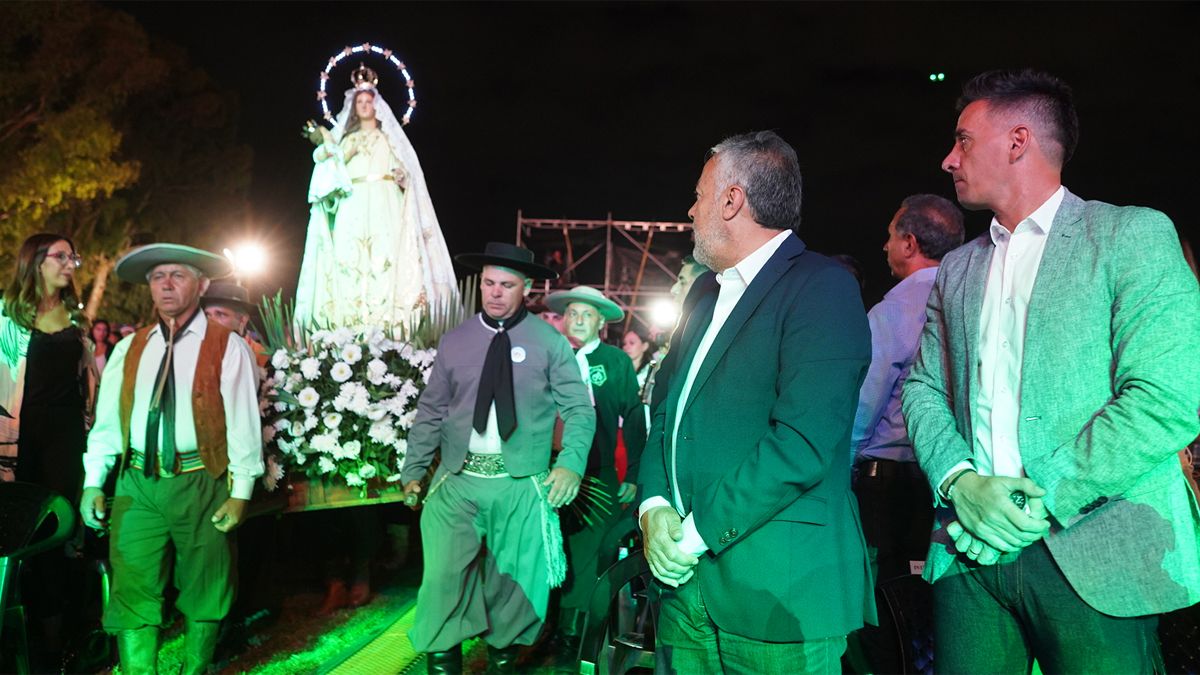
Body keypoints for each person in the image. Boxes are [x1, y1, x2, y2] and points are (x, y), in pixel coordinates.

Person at [902, 68, 1200, 673]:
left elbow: (1166, 399)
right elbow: (923, 388)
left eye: (962, 140)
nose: (947, 158)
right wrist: (960, 482)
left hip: (1094, 547)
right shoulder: (957, 269)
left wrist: (1029, 500)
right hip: (967, 555)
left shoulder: (1131, 236)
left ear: (1018, 141)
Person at [638, 131, 874, 673]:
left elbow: (802, 443)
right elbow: (667, 412)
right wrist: (653, 511)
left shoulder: (822, 286)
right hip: (682, 590)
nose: (690, 209)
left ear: (731, 201)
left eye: (699, 195)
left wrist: (689, 536)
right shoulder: (702, 292)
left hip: (776, 591)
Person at [399, 242, 596, 674]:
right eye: (489, 282)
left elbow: (580, 410)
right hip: (457, 480)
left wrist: (571, 464)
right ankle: (442, 661)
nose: (495, 292)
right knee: (441, 584)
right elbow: (431, 410)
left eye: (507, 284)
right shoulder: (457, 341)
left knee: (513, 589)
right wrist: (414, 472)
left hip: (520, 484)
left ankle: (504, 661)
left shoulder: (549, 342)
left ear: (526, 288)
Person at [79, 243, 264, 675]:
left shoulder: (227, 346)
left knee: (206, 581)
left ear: (200, 285)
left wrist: (241, 493)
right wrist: (93, 481)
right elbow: (107, 423)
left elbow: (242, 423)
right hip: (137, 482)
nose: (165, 284)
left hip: (201, 479)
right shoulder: (130, 348)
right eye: (157, 276)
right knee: (132, 585)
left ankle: (194, 670)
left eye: (177, 275)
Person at [848, 194, 963, 673]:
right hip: (949, 480)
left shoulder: (893, 312)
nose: (884, 245)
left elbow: (863, 405)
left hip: (886, 486)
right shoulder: (968, 297)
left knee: (881, 610)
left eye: (891, 234)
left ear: (910, 242)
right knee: (931, 609)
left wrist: (843, 466)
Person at [295, 63, 456, 330]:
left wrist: (403, 178)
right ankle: (347, 325)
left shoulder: (389, 139)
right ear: (353, 106)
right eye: (359, 101)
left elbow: (407, 171)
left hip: (384, 202)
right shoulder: (345, 141)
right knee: (348, 261)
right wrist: (335, 148)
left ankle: (389, 324)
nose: (364, 106)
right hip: (352, 203)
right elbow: (329, 173)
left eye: (369, 101)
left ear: (377, 105)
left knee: (385, 260)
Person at [0, 233, 96, 670]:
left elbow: (86, 387)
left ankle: (61, 643)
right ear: (35, 262)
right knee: (22, 536)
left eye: (72, 257)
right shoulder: (7, 316)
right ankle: (21, 638)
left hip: (68, 440)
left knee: (62, 535)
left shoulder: (79, 318)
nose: (70, 263)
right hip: (20, 439)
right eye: (61, 256)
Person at [545, 285, 647, 653]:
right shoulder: (550, 355)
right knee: (549, 544)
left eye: (587, 315)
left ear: (601, 322)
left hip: (598, 472)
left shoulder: (615, 362)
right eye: (572, 313)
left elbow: (633, 417)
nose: (578, 321)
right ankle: (540, 622)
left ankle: (573, 630)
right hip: (548, 469)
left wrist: (634, 473)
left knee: (586, 552)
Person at [201, 280, 269, 369]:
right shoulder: (195, 349)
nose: (210, 321)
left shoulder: (260, 354)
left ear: (242, 320)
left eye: (220, 314)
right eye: (208, 315)